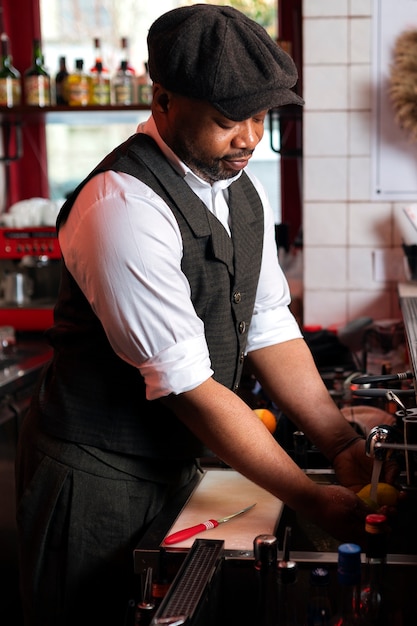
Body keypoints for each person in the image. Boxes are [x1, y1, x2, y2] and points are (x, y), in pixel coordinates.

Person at [15, 5, 397, 625]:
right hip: (97, 480)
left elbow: (271, 323)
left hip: (176, 463)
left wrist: (340, 442)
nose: (248, 138)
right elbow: (189, 387)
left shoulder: (238, 188)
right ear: (162, 99)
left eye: (260, 116)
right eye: (227, 120)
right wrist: (311, 497)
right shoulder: (121, 206)